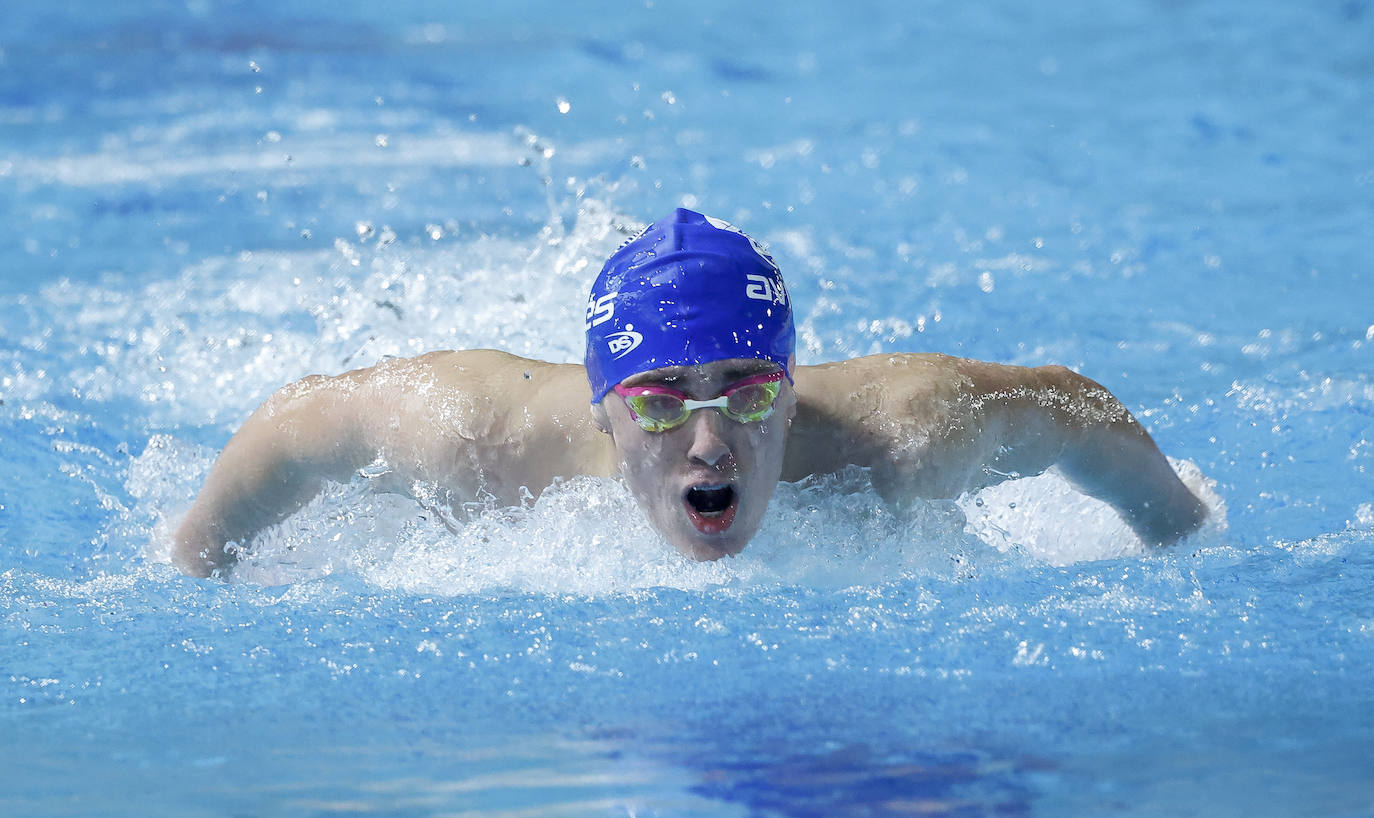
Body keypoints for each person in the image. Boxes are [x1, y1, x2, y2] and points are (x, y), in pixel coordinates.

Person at [173, 208, 1207, 577]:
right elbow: (300, 424)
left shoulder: (908, 432)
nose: (709, 443)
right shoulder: (477, 437)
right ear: (604, 404)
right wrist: (198, 559)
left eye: (749, 393)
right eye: (662, 401)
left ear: (794, 392)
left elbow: (1075, 410)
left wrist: (1185, 528)